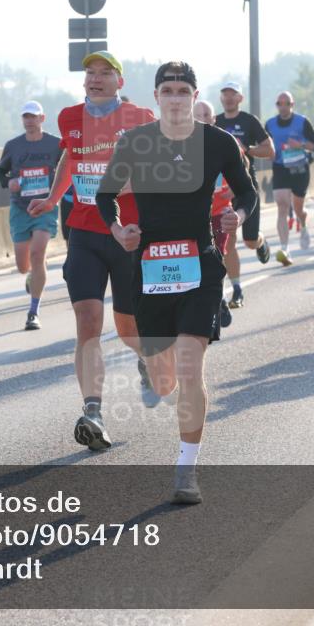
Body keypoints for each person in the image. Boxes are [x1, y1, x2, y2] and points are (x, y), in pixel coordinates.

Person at [97, 61, 257, 504]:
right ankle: (152, 372)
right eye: (167, 90)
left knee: (190, 366)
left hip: (199, 265)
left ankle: (186, 469)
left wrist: (237, 216)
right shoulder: (135, 142)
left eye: (183, 90)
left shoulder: (218, 142)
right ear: (156, 98)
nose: (175, 97)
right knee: (165, 379)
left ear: (193, 96)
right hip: (149, 266)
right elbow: (105, 195)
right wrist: (118, 231)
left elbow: (247, 192)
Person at [26, 50, 160, 439]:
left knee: (128, 328)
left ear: (121, 82)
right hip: (83, 230)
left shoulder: (140, 119)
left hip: (127, 233)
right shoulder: (69, 117)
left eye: (105, 72)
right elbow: (70, 157)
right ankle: (93, 412)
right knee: (87, 321)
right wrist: (53, 199)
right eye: (90, 73)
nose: (95, 78)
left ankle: (146, 361)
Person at [0, 100, 63, 330]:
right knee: (24, 265)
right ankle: (31, 276)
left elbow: (68, 167)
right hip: (20, 208)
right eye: (26, 116)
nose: (29, 120)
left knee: (38, 252)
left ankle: (33, 311)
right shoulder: (13, 146)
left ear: (42, 119)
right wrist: (9, 182)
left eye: (33, 116)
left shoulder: (56, 145)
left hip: (45, 206)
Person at [215, 81, 275, 308]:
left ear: (240, 98)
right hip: (221, 193)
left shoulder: (249, 121)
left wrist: (244, 149)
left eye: (233, 95)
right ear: (221, 98)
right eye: (225, 94)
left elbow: (270, 150)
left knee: (249, 241)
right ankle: (236, 290)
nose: (229, 98)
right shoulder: (216, 122)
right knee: (227, 242)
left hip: (245, 188)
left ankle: (260, 241)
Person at [264, 91, 314, 263]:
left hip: (299, 169)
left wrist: (301, 145)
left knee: (298, 208)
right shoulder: (270, 124)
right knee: (282, 205)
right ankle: (285, 248)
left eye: (287, 103)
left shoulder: (302, 122)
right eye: (279, 103)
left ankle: (303, 225)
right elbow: (263, 144)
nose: (283, 107)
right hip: (280, 168)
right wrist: (269, 153)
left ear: (292, 105)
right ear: (277, 105)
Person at [194, 100, 235, 327]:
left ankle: (218, 299)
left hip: (219, 212)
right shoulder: (179, 144)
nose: (201, 118)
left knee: (215, 256)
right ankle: (212, 299)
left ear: (213, 118)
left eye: (206, 114)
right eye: (197, 115)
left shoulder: (225, 143)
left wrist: (235, 186)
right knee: (198, 260)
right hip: (194, 215)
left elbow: (243, 170)